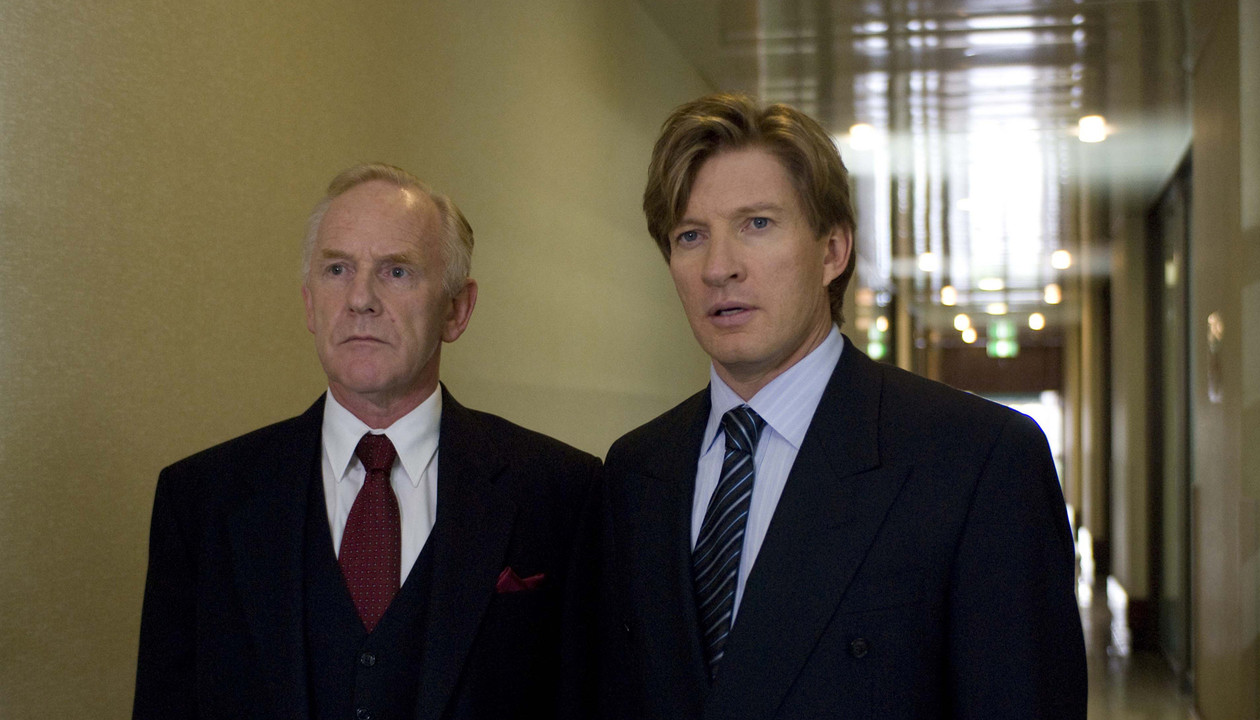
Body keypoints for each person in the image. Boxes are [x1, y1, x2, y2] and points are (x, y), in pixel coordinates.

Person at [597, 94, 1086, 719]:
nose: (719, 268)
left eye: (757, 224)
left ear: (833, 251)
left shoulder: (977, 460)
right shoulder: (636, 470)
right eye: (691, 236)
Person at [134, 163, 600, 720]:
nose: (360, 299)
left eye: (396, 271)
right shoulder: (200, 499)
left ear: (457, 309)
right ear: (310, 303)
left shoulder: (562, 491)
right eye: (337, 269)